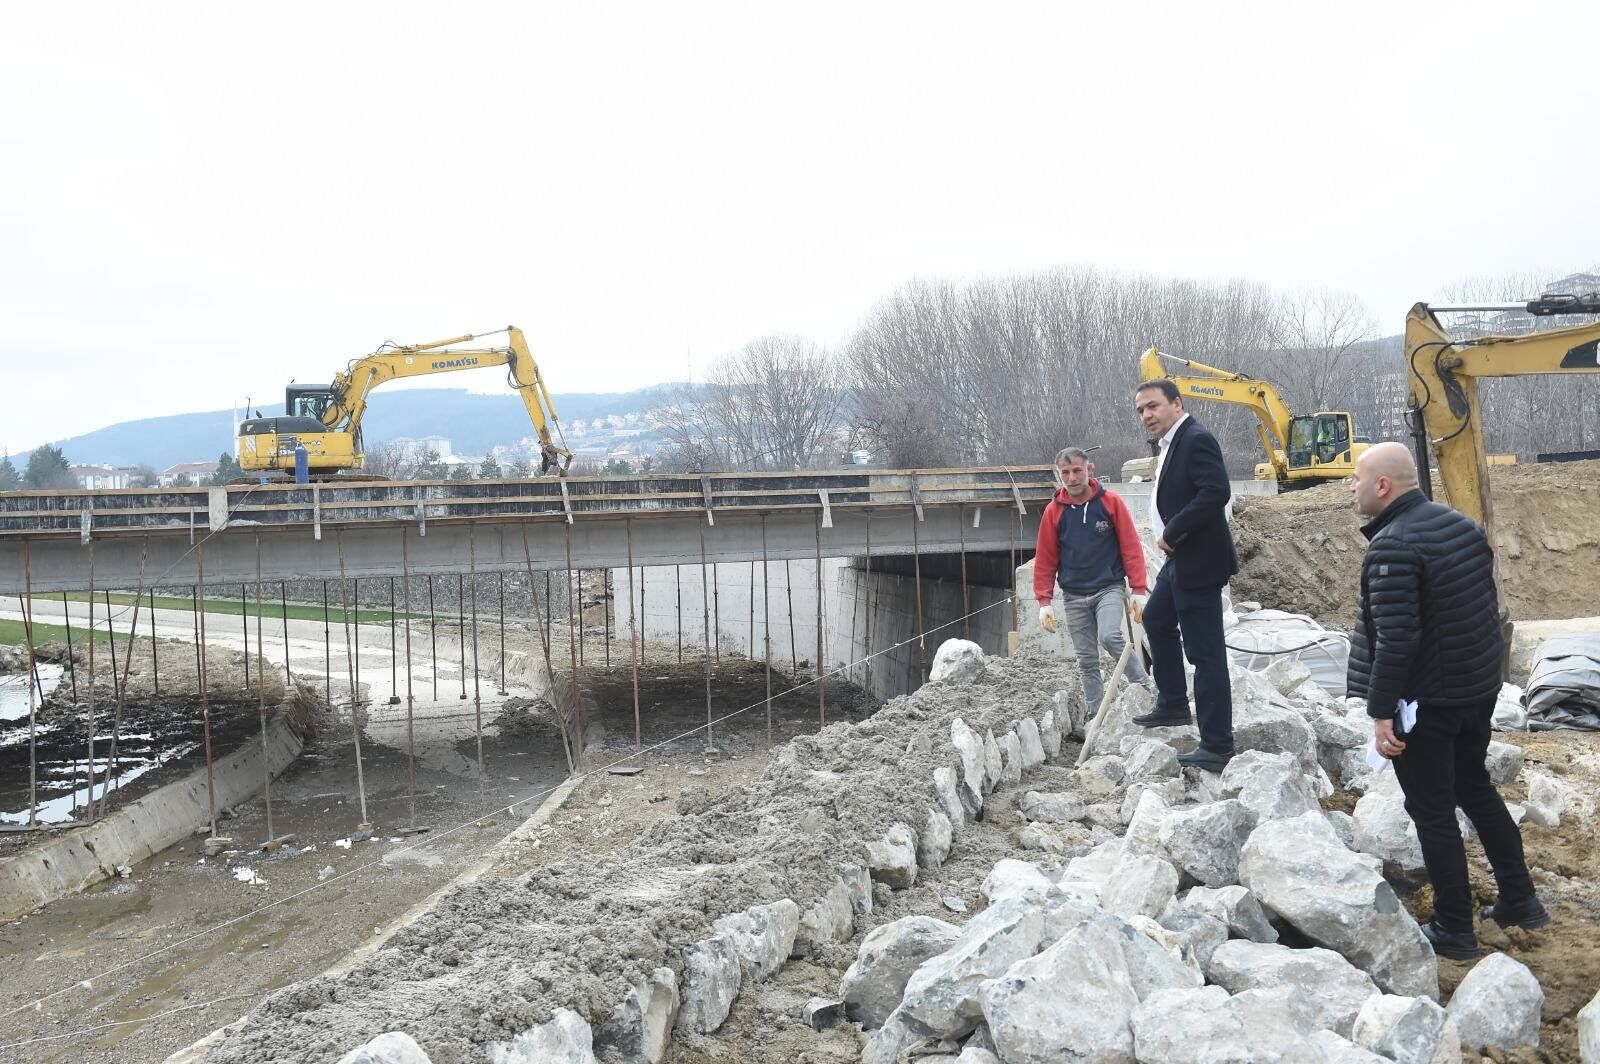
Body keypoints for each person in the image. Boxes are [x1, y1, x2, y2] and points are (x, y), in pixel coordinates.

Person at [1347, 441, 1548, 960]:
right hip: (1476, 690)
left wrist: (1381, 711)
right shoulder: (1461, 527)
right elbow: (1481, 612)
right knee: (1475, 788)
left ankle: (1455, 929)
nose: (1352, 487)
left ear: (1383, 486)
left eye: (1356, 479)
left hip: (1429, 703)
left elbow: (1397, 640)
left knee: (1433, 813)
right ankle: (1521, 901)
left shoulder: (1392, 547)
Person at [1131, 379, 1238, 772]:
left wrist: (1174, 531)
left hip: (1198, 560)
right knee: (1156, 618)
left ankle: (1217, 744)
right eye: (1141, 410)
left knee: (1205, 654)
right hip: (1180, 559)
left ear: (1176, 404)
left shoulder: (1195, 438)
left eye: (1153, 407)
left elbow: (1216, 492)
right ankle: (1173, 702)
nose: (1146, 416)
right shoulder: (1172, 444)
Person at [1033, 447, 1151, 713]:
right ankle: (1095, 714)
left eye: (1077, 470)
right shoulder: (1054, 512)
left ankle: (1146, 688)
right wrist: (1044, 601)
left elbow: (1130, 547)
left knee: (1110, 636)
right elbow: (1045, 558)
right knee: (1086, 659)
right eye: (1066, 473)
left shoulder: (1110, 503)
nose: (1072, 477)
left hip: (1108, 587)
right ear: (1059, 475)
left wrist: (1138, 590)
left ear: (1089, 469)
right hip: (1074, 595)